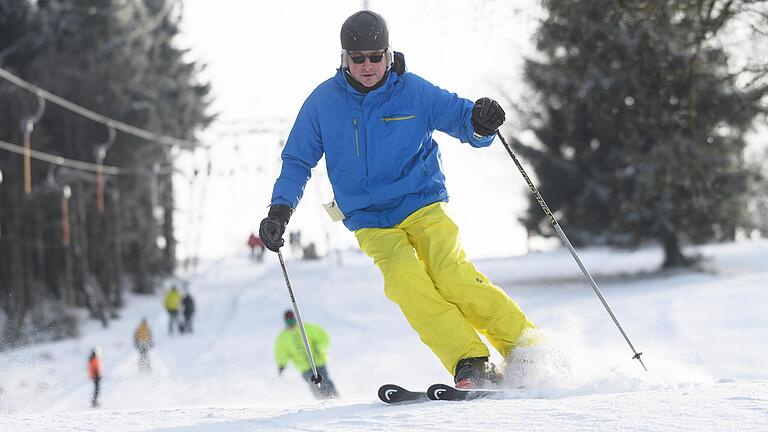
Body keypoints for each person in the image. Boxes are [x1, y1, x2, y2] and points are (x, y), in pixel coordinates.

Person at [259, 10, 536, 389]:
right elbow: (297, 160)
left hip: (421, 204)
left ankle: (528, 349)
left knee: (451, 274)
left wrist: (480, 121)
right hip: (370, 219)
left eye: (376, 57)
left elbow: (460, 119)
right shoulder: (323, 103)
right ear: (344, 59)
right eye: (358, 59)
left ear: (389, 55)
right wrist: (280, 211)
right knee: (405, 281)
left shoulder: (413, 91)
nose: (368, 66)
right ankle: (469, 360)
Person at [274, 310, 338, 399]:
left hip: (318, 361)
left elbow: (323, 338)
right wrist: (282, 364)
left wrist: (319, 348)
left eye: (292, 320)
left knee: (325, 380)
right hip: (304, 367)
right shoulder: (283, 337)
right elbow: (281, 352)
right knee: (313, 384)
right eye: (288, 321)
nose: (291, 323)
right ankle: (321, 400)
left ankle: (334, 397)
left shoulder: (307, 328)